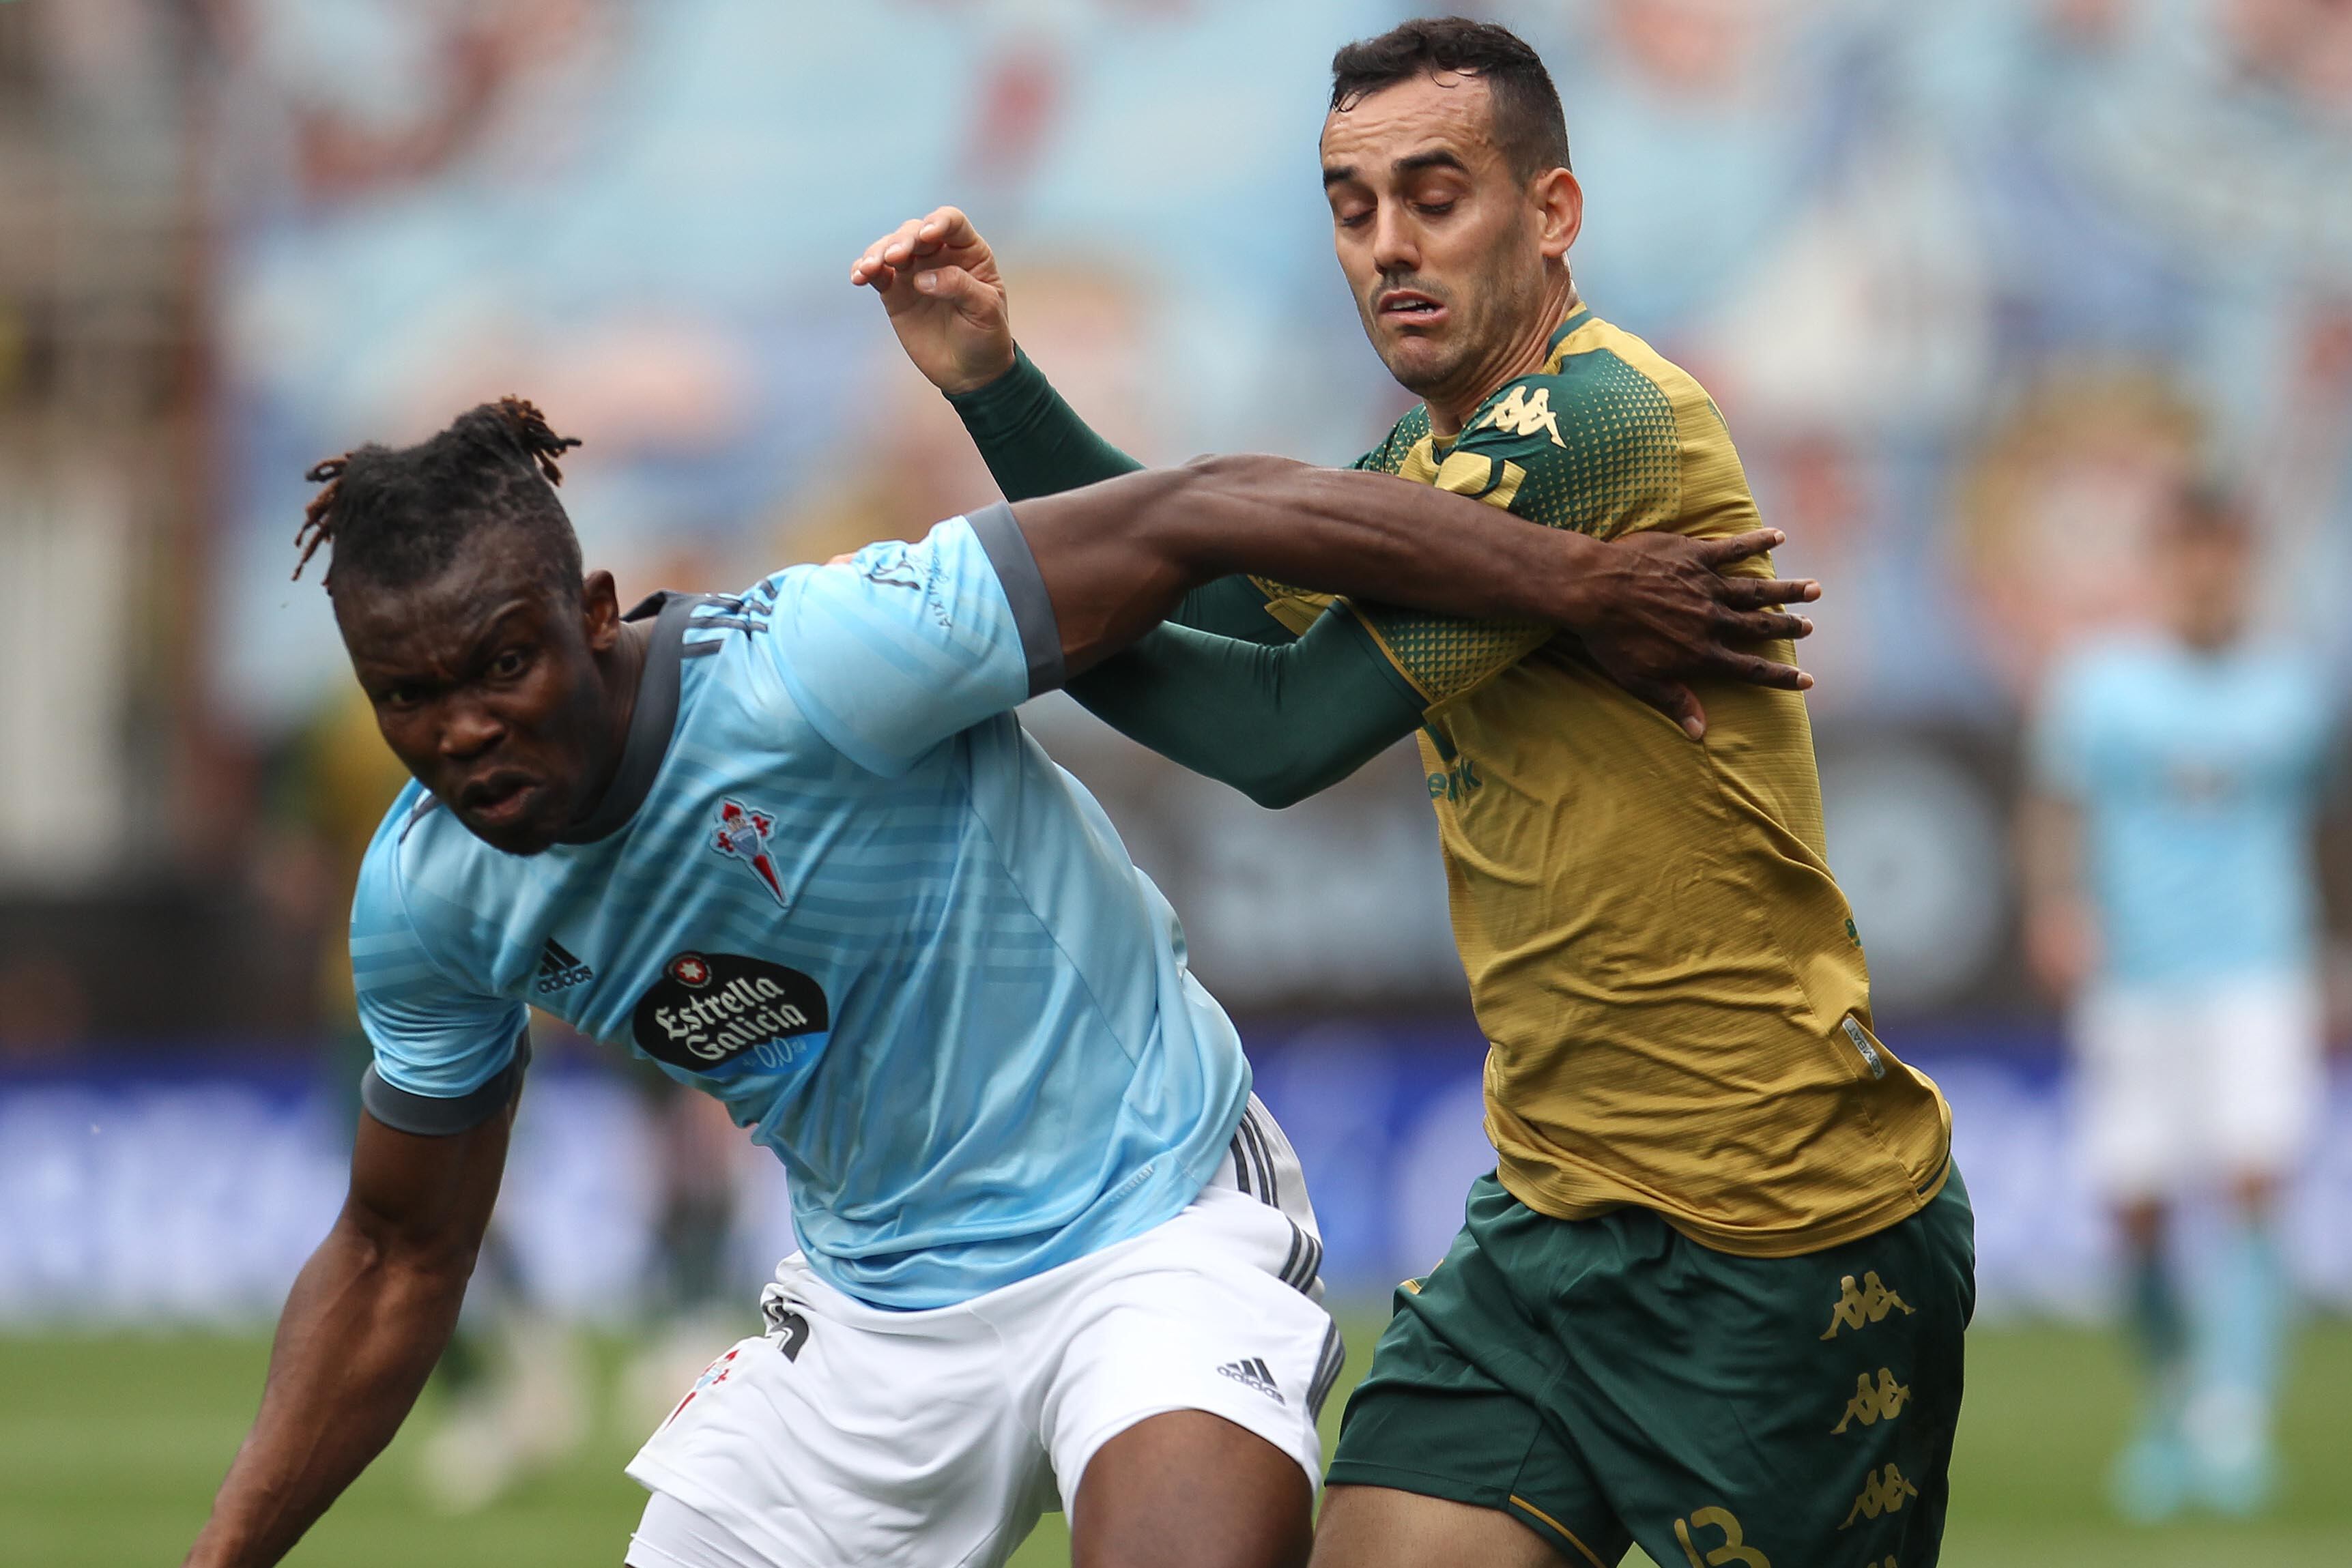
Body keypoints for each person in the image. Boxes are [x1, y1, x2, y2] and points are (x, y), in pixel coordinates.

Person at [179, 394, 1813, 1568]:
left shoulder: (827, 663)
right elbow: (399, 1252)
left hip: (1153, 1233)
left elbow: (1201, 509)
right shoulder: (433, 895)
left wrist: (1577, 587)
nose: (463, 728)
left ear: (592, 613)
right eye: (409, 695)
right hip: (873, 1324)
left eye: (501, 663)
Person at [853, 18, 1972, 1567]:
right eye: (1352, 204)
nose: (1387, 246)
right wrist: (995, 386)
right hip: (1550, 1224)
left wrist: (970, 634)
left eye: (1433, 195)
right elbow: (1234, 601)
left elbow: (1276, 732)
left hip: (1772, 1226)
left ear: (1552, 212)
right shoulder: (1443, 448)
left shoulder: (1590, 425)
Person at [2023, 484, 2333, 1520]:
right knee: (2137, 1205)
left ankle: (2233, 1419)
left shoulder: (2295, 686)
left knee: (2254, 1174)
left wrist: (2335, 946)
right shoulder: (2103, 685)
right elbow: (2057, 802)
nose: (2207, 573)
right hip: (2135, 976)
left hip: (2258, 966)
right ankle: (2168, 1403)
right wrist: (2057, 902)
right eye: (2189, 553)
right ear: (2163, 562)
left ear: (2245, 560)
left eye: (2224, 553)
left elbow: (2327, 827)